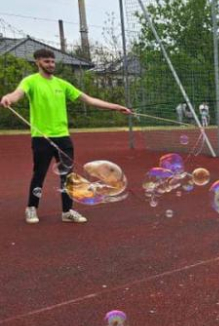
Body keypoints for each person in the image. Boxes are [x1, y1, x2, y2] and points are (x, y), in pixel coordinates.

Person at [0, 48, 131, 224]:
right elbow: (17, 94)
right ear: (37, 62)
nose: (51, 64)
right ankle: (31, 208)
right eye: (47, 61)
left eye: (53, 61)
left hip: (63, 137)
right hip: (41, 138)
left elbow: (89, 100)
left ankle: (67, 211)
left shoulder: (62, 84)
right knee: (39, 174)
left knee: (68, 176)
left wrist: (116, 107)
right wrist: (8, 98)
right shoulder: (30, 81)